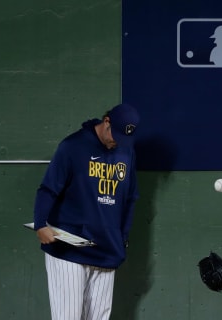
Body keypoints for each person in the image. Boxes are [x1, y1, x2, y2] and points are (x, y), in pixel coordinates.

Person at [33, 103, 140, 320]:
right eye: (116, 135)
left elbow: (130, 198)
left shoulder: (126, 150)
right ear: (106, 122)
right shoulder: (73, 146)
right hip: (68, 248)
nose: (117, 142)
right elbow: (48, 188)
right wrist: (40, 224)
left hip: (107, 248)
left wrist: (123, 238)